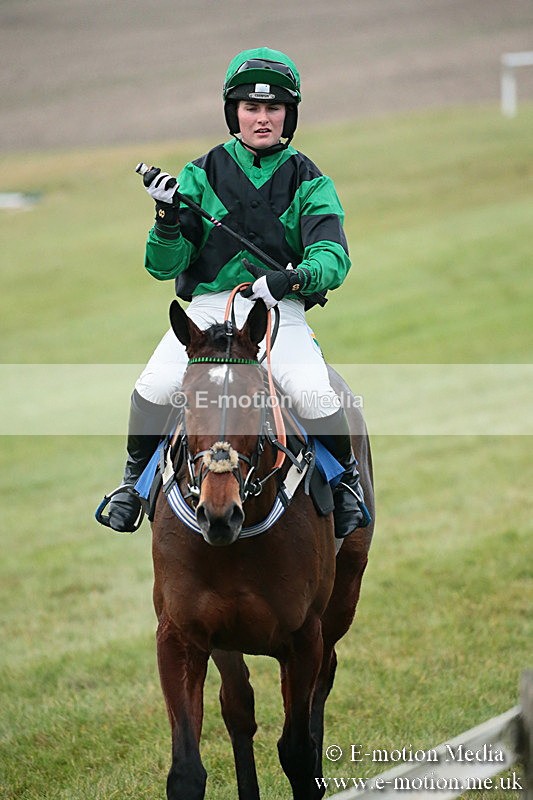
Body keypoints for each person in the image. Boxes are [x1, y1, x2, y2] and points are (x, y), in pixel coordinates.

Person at [106, 46, 371, 537]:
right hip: (206, 315)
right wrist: (166, 217)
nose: (262, 118)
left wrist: (290, 279)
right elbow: (161, 266)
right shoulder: (198, 173)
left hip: (275, 313)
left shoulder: (311, 181)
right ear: (235, 113)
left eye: (273, 108)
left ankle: (344, 484)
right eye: (251, 107)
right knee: (151, 388)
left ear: (288, 114)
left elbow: (333, 259)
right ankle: (132, 486)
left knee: (314, 394)